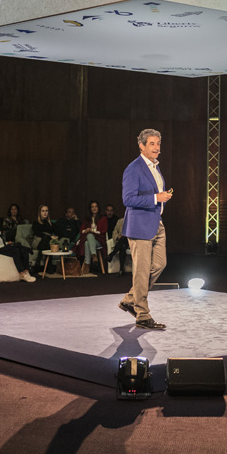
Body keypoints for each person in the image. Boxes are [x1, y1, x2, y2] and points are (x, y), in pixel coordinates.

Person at [118, 128, 172, 330]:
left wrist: (160, 197)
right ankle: (142, 315)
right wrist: (156, 198)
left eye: (158, 143)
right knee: (141, 272)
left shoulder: (155, 167)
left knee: (159, 264)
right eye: (152, 144)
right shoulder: (134, 169)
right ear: (141, 146)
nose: (157, 147)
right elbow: (128, 199)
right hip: (140, 226)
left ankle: (130, 299)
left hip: (157, 223)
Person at [0, 215, 35, 282]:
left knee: (22, 249)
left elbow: (0, 243)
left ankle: (27, 272)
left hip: (4, 248)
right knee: (16, 250)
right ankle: (22, 273)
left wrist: (7, 243)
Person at [77, 200, 107, 274]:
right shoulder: (87, 219)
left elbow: (103, 231)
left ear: (98, 208)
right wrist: (86, 230)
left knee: (90, 235)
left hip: (99, 240)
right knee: (87, 242)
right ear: (90, 209)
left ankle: (87, 263)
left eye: (96, 206)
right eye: (92, 207)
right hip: (90, 240)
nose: (94, 208)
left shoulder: (103, 218)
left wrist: (93, 231)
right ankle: (93, 257)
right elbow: (81, 231)